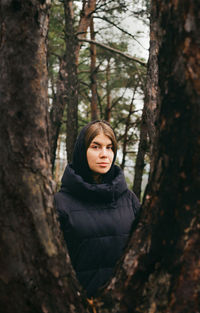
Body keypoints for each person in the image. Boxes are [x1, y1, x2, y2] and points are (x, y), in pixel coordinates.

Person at [54, 120, 140, 298]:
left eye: (109, 147)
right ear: (81, 151)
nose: (104, 154)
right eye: (95, 146)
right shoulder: (60, 204)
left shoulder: (129, 200)